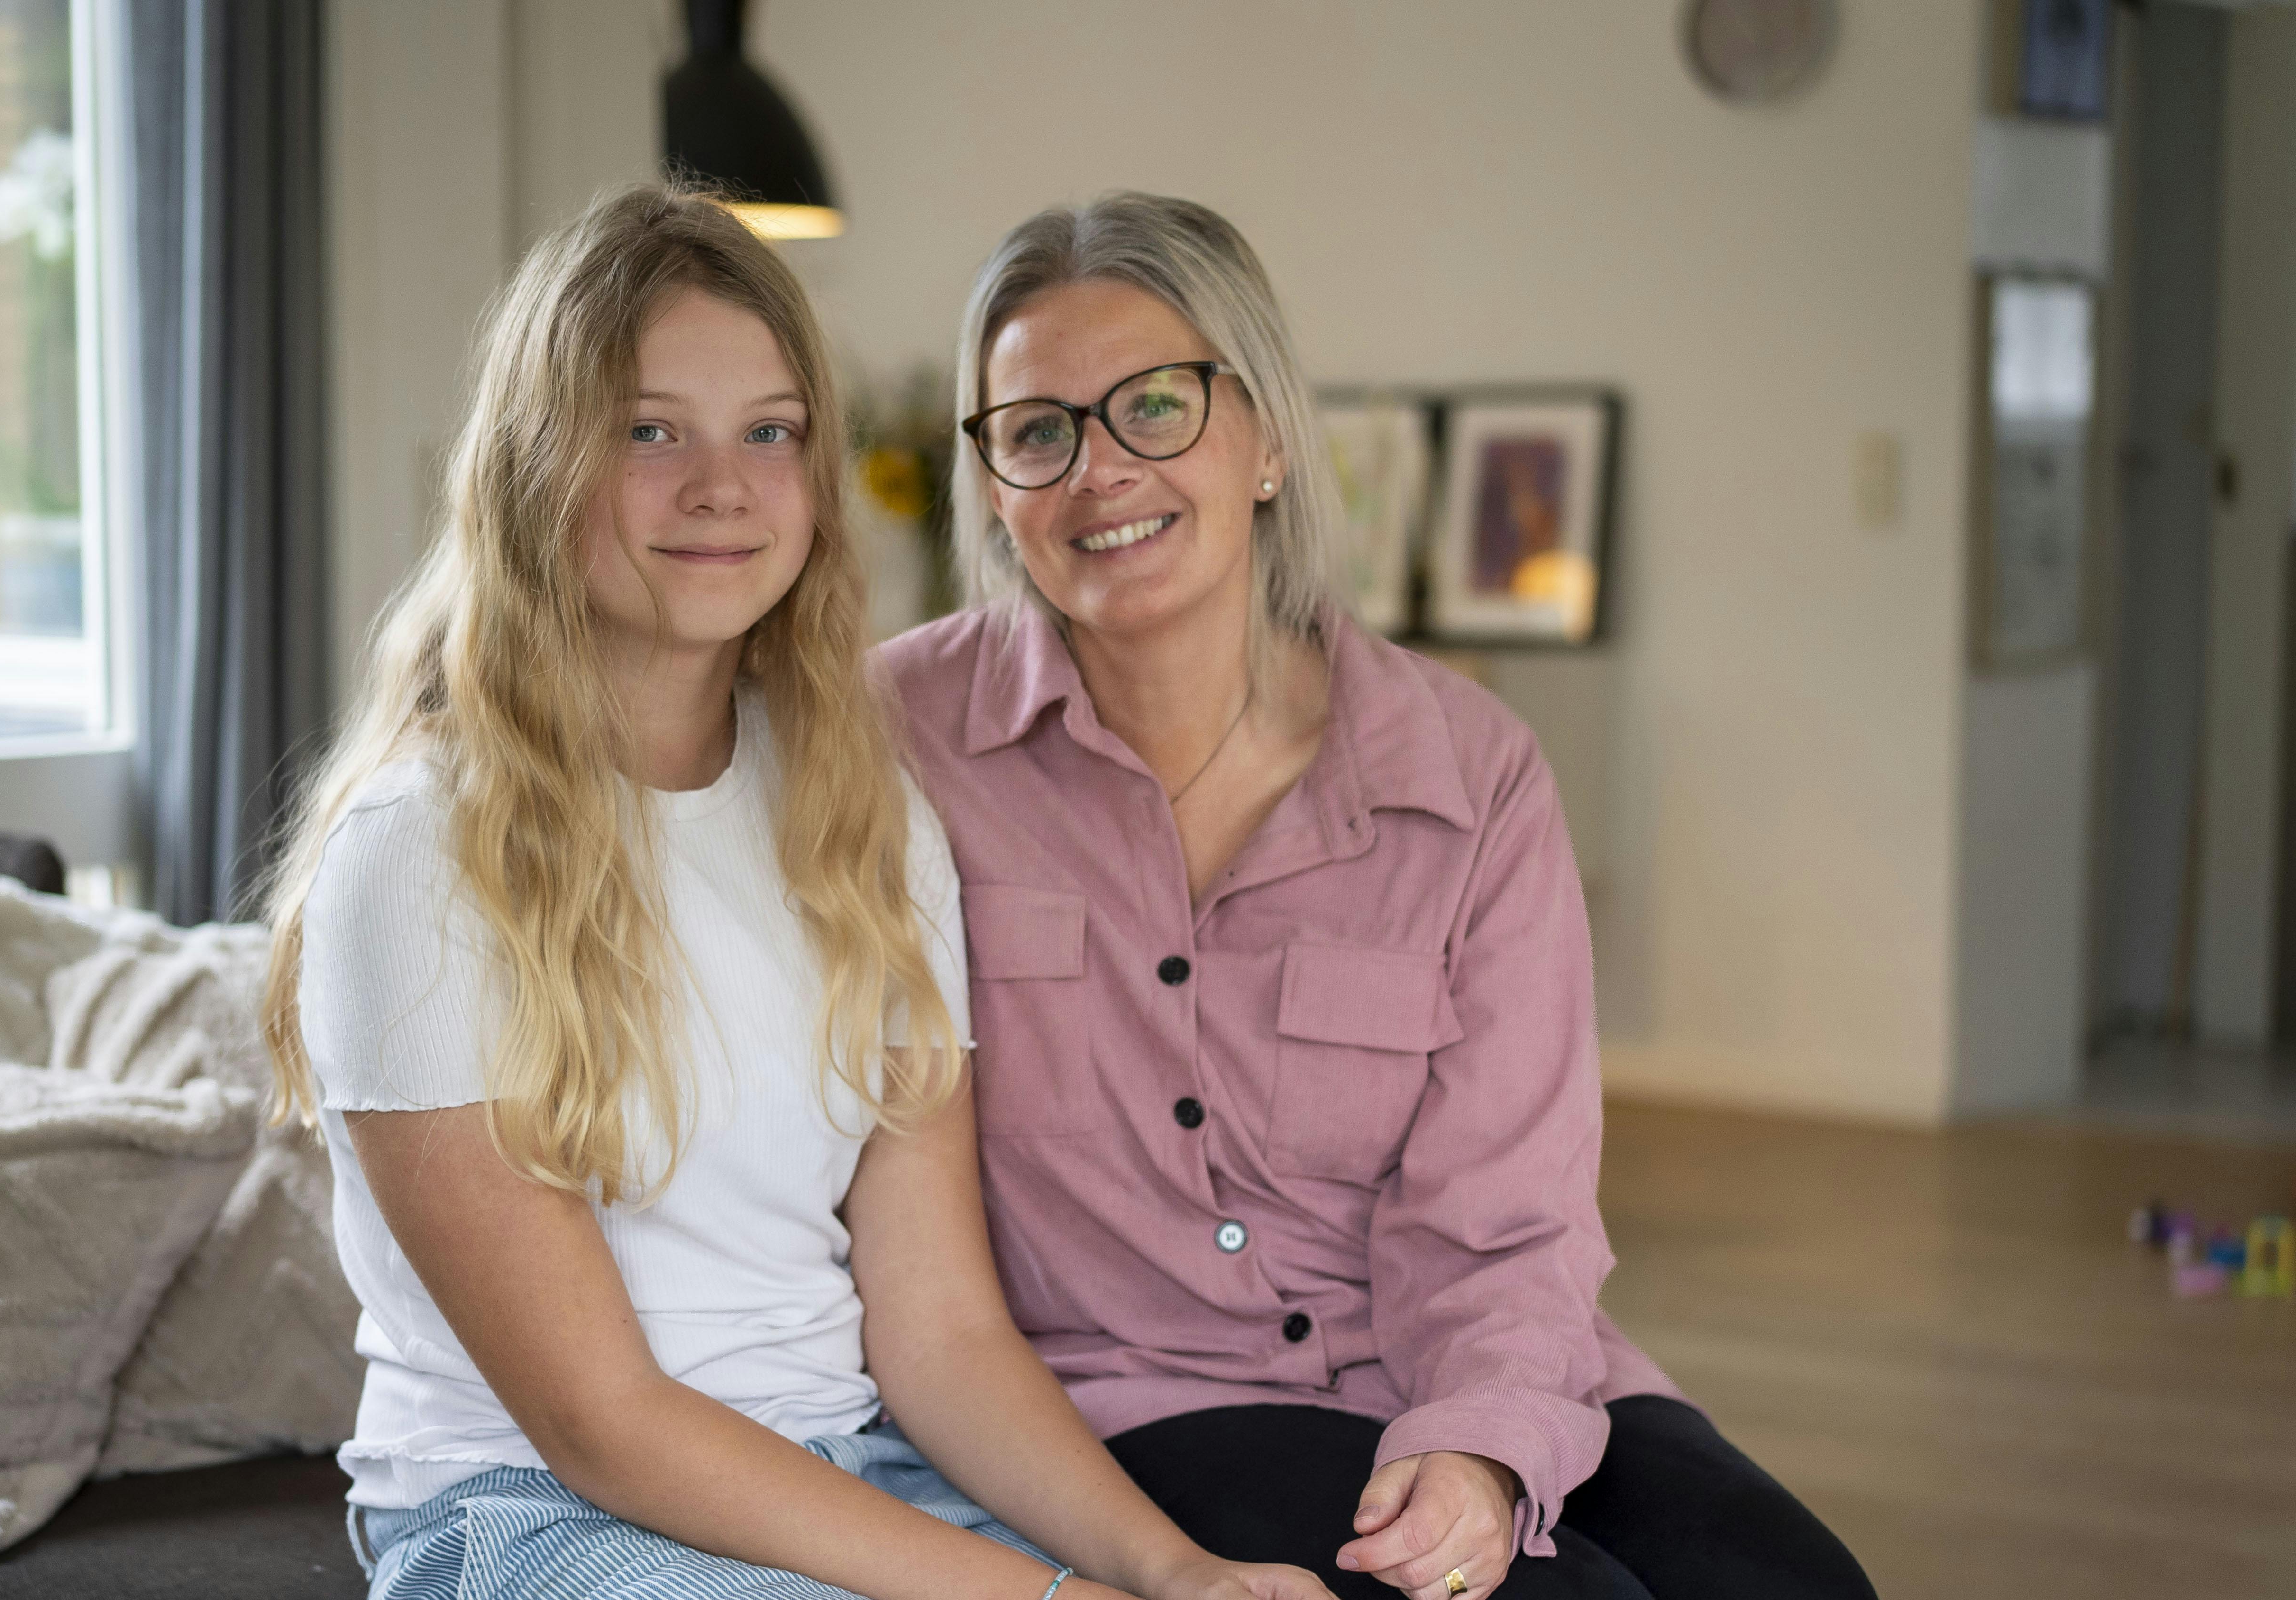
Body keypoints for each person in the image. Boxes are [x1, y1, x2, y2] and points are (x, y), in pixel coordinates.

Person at [255, 184, 1328, 1600]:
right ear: (532, 467)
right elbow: (602, 1423)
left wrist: (1177, 1574)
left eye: (770, 432)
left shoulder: (861, 814)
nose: (722, 487)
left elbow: (940, 1331)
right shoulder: (422, 854)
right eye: (649, 432)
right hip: (533, 1509)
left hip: (852, 1461)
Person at [872, 193, 1878, 1600]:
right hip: (1145, 1395)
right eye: (1040, 429)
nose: (1101, 468)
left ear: (1269, 438)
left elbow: (1513, 1214)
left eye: (1155, 406)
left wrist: (1480, 1444)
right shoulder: (892, 737)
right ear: (992, 482)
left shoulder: (1466, 775)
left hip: (1462, 1352)